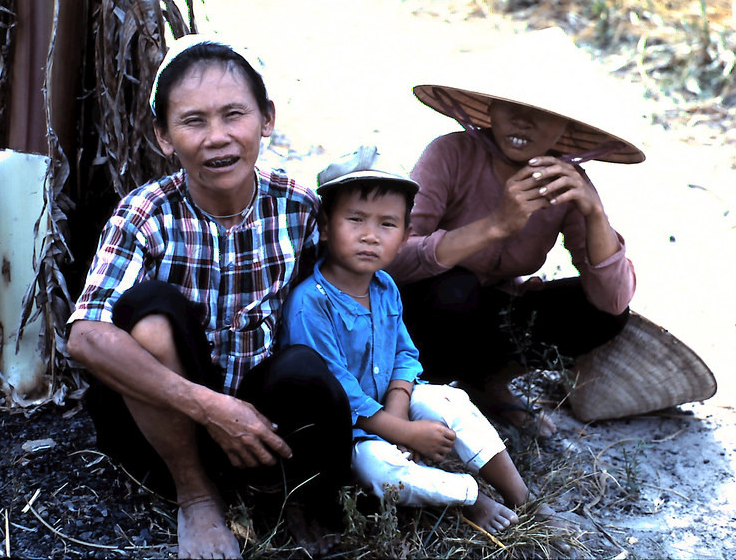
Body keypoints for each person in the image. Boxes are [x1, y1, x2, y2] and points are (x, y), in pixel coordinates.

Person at [65, 35, 351, 559]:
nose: (217, 138)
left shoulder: (299, 207)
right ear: (164, 136)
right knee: (149, 314)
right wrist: (210, 406)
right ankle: (196, 497)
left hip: (266, 428)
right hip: (164, 431)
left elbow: (345, 298)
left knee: (305, 363)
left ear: (266, 119)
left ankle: (299, 498)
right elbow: (84, 338)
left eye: (233, 115)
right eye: (193, 121)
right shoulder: (147, 212)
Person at [279, 145, 536, 534]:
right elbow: (338, 390)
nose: (370, 236)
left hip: (389, 405)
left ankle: (522, 496)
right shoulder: (311, 303)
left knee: (453, 400)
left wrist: (400, 408)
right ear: (326, 227)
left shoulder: (384, 287)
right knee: (382, 472)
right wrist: (403, 432)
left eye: (387, 224)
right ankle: (469, 498)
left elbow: (404, 353)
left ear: (404, 237)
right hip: (345, 435)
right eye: (355, 220)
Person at [386, 76, 646, 438]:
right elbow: (391, 259)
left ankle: (487, 381)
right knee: (456, 289)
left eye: (541, 113)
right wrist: (496, 225)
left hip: (484, 316)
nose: (523, 121)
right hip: (418, 314)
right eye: (512, 107)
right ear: (491, 109)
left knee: (601, 314)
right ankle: (413, 389)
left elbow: (612, 300)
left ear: (564, 127)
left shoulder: (565, 181)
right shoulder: (450, 154)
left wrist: (594, 213)